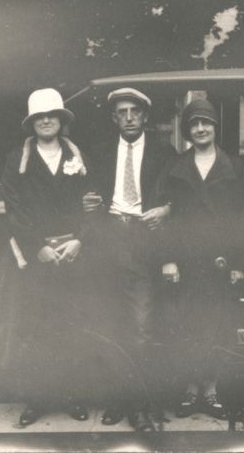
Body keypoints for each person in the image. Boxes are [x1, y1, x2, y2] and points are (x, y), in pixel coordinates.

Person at [82, 87, 177, 431]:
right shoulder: (100, 152)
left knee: (140, 326)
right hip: (108, 242)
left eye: (135, 111)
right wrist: (88, 206)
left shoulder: (164, 153)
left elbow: (180, 196)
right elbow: (89, 196)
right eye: (122, 112)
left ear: (145, 116)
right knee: (109, 324)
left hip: (143, 243)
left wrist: (166, 210)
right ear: (114, 118)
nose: (129, 118)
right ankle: (117, 401)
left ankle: (139, 406)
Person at [1, 88, 93, 428]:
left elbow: (92, 204)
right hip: (37, 256)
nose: (46, 120)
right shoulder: (18, 159)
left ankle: (72, 396)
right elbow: (14, 208)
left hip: (72, 255)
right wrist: (36, 246)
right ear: (32, 123)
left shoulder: (78, 156)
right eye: (39, 116)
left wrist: (80, 241)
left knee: (72, 325)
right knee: (36, 327)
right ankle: (37, 400)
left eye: (52, 114)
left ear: (61, 119)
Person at [160, 98, 244, 420]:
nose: (200, 129)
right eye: (193, 124)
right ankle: (189, 390)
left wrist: (239, 262)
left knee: (217, 324)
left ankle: (211, 391)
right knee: (185, 323)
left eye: (205, 123)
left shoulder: (233, 166)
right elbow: (167, 217)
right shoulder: (175, 167)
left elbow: (242, 218)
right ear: (186, 131)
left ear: (214, 127)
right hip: (185, 260)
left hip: (219, 260)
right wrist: (168, 259)